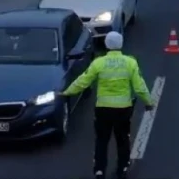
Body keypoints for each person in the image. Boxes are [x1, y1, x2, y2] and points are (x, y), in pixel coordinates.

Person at [60, 31, 154, 179]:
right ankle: (122, 168)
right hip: (123, 109)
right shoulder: (130, 63)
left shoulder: (99, 63)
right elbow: (139, 87)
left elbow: (83, 81)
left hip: (103, 109)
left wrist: (67, 92)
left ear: (106, 44)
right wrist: (149, 103)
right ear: (121, 44)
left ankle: (99, 170)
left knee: (102, 140)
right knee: (122, 139)